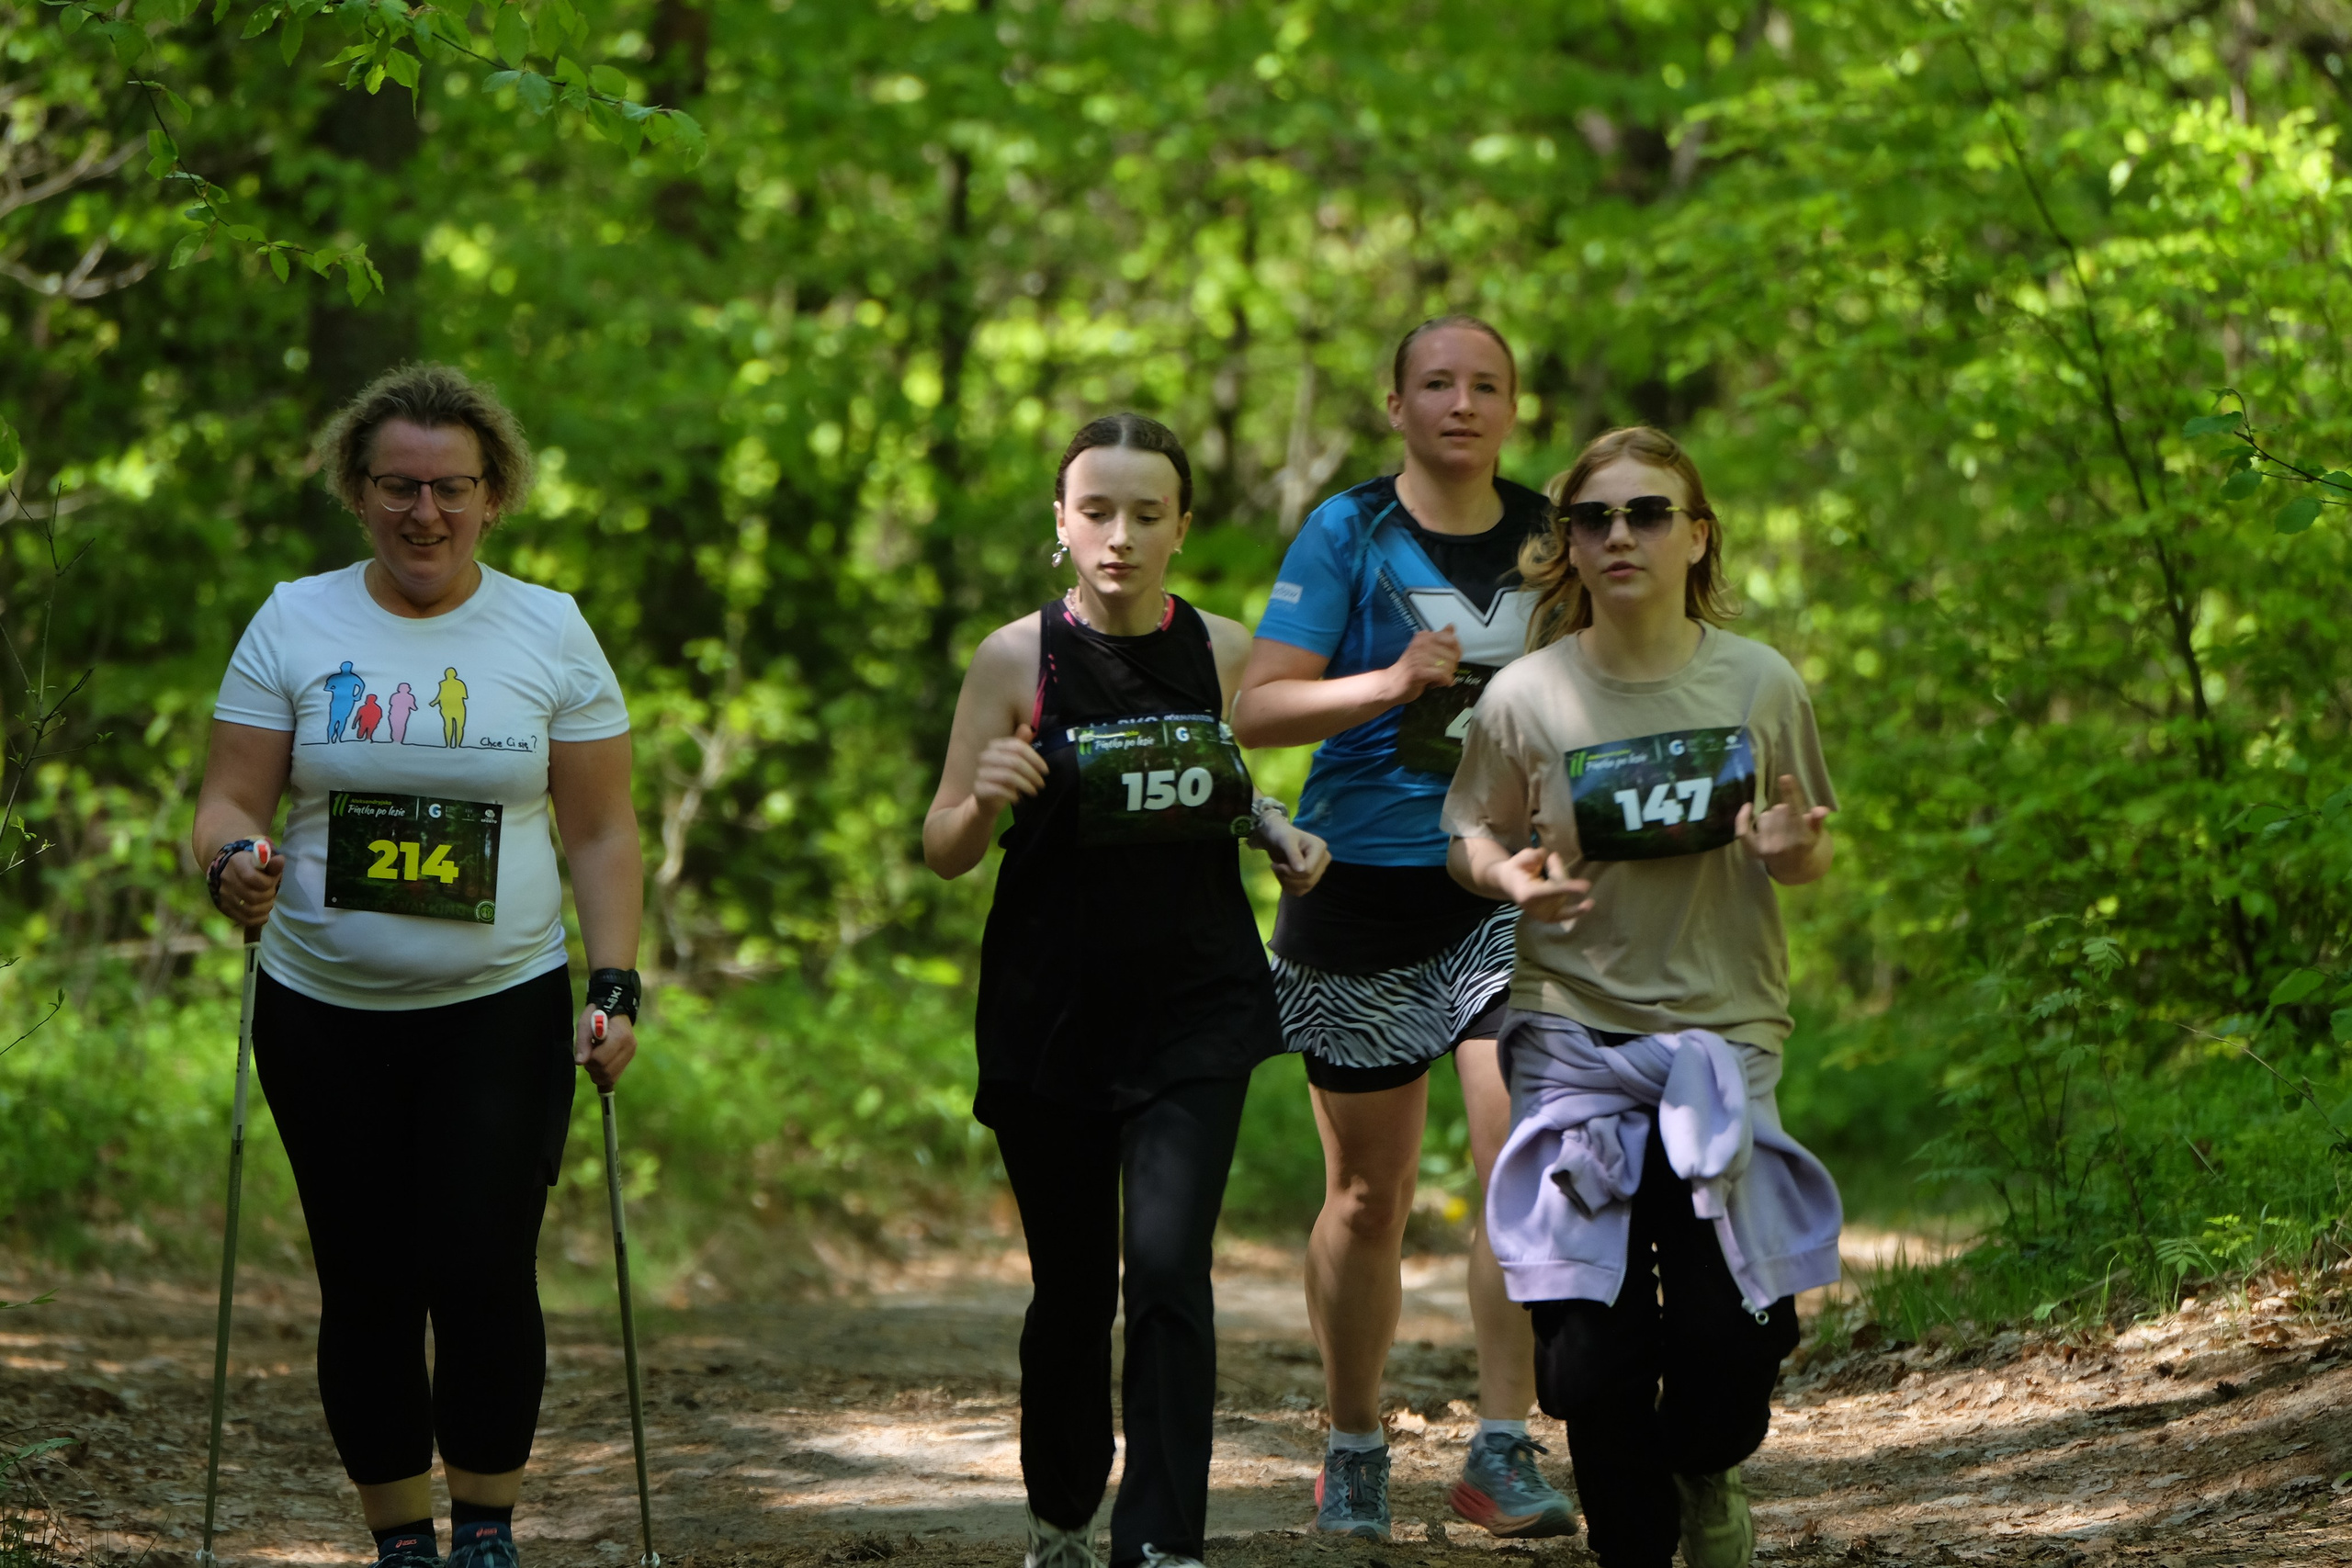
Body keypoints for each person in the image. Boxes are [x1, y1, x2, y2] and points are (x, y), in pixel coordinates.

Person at [193, 362, 644, 1568]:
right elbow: (231, 795)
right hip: (321, 1009)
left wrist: (614, 985)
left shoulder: (548, 628)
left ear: (494, 496)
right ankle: (400, 1535)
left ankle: (486, 1527)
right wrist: (232, 857)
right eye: (398, 486)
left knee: (484, 1263)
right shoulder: (295, 617)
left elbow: (602, 829)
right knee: (368, 1276)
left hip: (496, 1009)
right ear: (358, 490)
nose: (424, 513)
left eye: (451, 488)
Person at [923, 413, 1332, 1568]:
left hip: (1193, 1004)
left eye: (1146, 514)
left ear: (1181, 528)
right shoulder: (1016, 659)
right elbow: (942, 845)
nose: (1119, 534)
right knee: (1072, 1291)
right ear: (1061, 523)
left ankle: (1160, 1541)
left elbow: (1226, 780)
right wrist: (986, 795)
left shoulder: (1225, 647)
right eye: (1096, 511)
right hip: (1049, 1014)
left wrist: (1276, 831)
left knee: (1165, 1272)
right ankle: (1061, 1513)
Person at [1442, 425, 1844, 1568]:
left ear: (1695, 534)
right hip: (1572, 1040)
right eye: (1593, 517)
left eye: (1649, 513)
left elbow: (1808, 850)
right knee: (1585, 1366)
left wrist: (1785, 850)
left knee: (1730, 1345)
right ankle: (1634, 1537)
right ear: (1566, 543)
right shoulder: (1526, 695)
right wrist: (1502, 871)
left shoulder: (1757, 681)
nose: (1620, 534)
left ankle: (1703, 1463)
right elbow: (1467, 828)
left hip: (1722, 1047)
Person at [1230, 316, 1574, 1540]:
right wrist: (1387, 682)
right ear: (1397, 405)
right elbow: (1258, 706)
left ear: (1514, 408)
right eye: (1438, 382)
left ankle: (1501, 1445)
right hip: (1360, 884)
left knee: (1516, 1165)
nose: (1462, 403)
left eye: (1488, 383)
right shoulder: (1347, 530)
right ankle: (1353, 1438)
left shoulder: (1555, 535)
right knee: (1369, 1196)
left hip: (1502, 886)